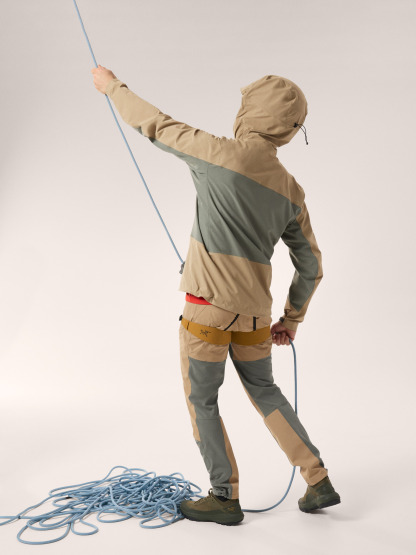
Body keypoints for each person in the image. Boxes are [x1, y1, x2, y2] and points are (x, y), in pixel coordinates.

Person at [91, 66, 341, 525]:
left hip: (206, 313)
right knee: (265, 391)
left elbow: (156, 124)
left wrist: (112, 87)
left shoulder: (219, 153)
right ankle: (318, 479)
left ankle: (224, 497)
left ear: (250, 111)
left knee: (202, 401)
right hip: (256, 319)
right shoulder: (291, 191)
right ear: (289, 128)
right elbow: (312, 266)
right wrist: (291, 320)